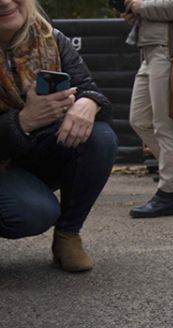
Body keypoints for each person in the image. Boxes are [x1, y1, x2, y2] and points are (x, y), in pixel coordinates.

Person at [0, 0, 117, 272]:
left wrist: (89, 102)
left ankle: (67, 236)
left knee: (100, 137)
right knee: (31, 213)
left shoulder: (49, 38)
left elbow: (91, 91)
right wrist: (23, 121)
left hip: (32, 156)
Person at [124, 0, 173, 218]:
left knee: (166, 125)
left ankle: (169, 193)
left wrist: (142, 8)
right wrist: (137, 13)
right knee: (140, 119)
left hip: (171, 52)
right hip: (154, 51)